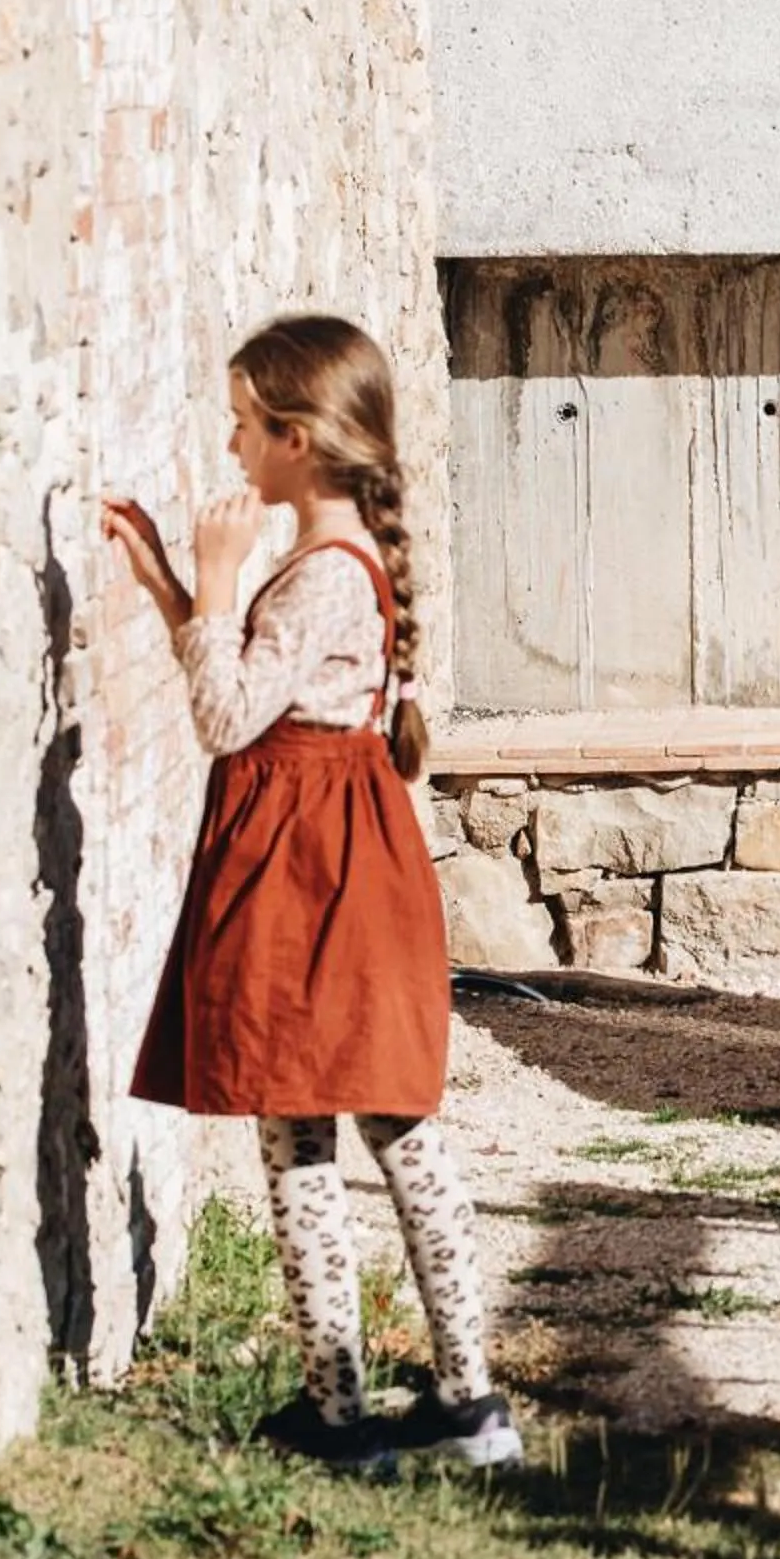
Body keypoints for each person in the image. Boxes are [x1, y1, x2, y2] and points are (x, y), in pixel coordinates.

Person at [106, 314, 520, 1477]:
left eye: (244, 425)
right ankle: (410, 1401)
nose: (232, 447)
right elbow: (257, 682)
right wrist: (171, 588)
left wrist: (221, 580)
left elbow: (230, 718)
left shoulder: (318, 576)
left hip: (308, 877)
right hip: (333, 862)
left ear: (297, 438)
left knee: (344, 1133)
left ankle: (406, 1408)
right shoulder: (343, 563)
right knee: (349, 1128)